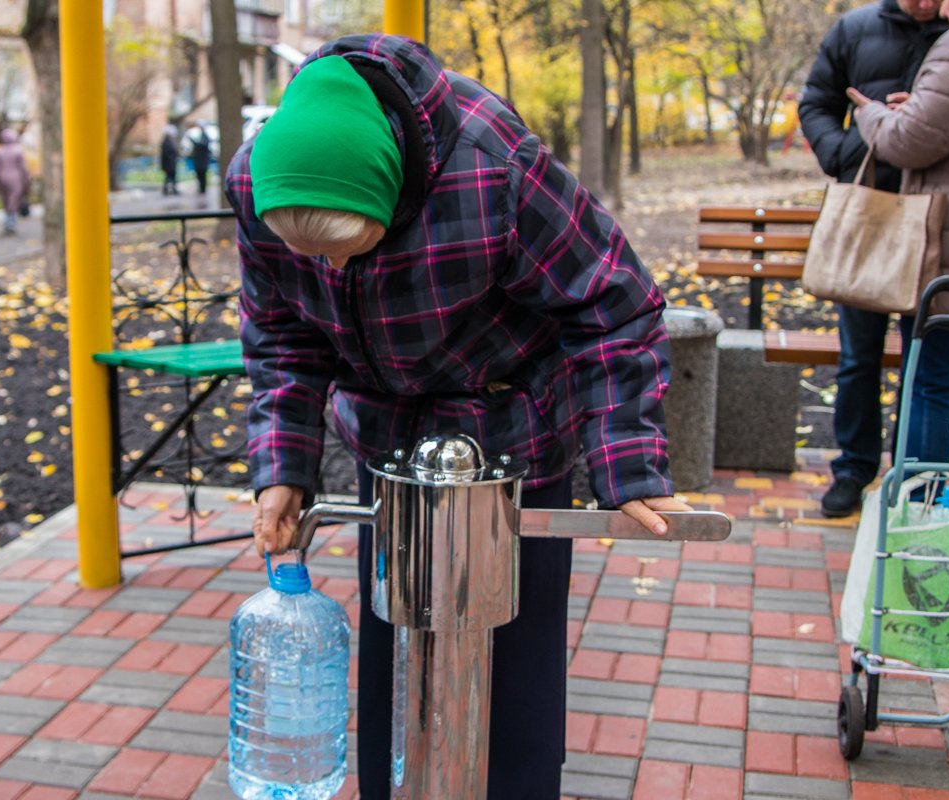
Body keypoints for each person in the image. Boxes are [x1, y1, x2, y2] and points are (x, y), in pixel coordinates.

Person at [225, 34, 689, 799]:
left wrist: (627, 459)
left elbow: (613, 302)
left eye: (351, 250)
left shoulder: (494, 170)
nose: (334, 273)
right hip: (392, 451)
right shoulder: (256, 181)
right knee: (393, 647)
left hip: (512, 434)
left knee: (514, 664)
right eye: (316, 259)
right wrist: (284, 468)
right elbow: (283, 336)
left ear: (393, 195)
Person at [798, 0, 949, 517]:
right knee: (858, 360)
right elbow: (816, 101)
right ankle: (853, 470)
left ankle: (913, 485)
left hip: (938, 228)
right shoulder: (855, 28)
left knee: (926, 364)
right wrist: (845, 151)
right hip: (868, 220)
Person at [849, 0, 949, 450]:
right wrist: (926, 111)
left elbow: (910, 143)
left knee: (932, 380)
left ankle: (918, 503)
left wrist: (873, 116)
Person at [0, 128, 30, 236]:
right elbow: (23, 168)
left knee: (6, 200)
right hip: (15, 179)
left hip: (1, 179)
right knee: (13, 200)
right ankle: (10, 223)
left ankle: (8, 221)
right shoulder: (18, 150)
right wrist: (27, 180)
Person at [184, 121, 212, 195]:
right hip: (200, 161)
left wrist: (193, 141)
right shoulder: (202, 136)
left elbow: (201, 145)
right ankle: (201, 188)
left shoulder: (205, 136)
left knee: (202, 176)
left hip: (202, 161)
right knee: (200, 175)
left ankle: (203, 189)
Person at [159, 123, 180, 195]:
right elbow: (169, 153)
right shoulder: (167, 142)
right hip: (169, 164)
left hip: (170, 164)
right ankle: (169, 189)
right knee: (170, 177)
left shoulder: (168, 141)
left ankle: (170, 189)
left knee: (170, 177)